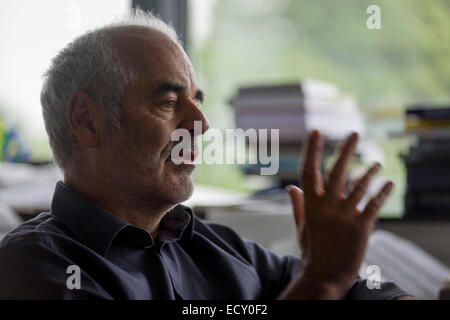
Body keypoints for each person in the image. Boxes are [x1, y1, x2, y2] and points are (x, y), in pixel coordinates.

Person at [0, 10, 414, 300]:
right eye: (168, 102)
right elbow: (325, 283)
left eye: (197, 101)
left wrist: (332, 280)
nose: (201, 125)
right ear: (88, 121)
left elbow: (354, 290)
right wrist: (320, 282)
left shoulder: (213, 245)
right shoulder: (35, 266)